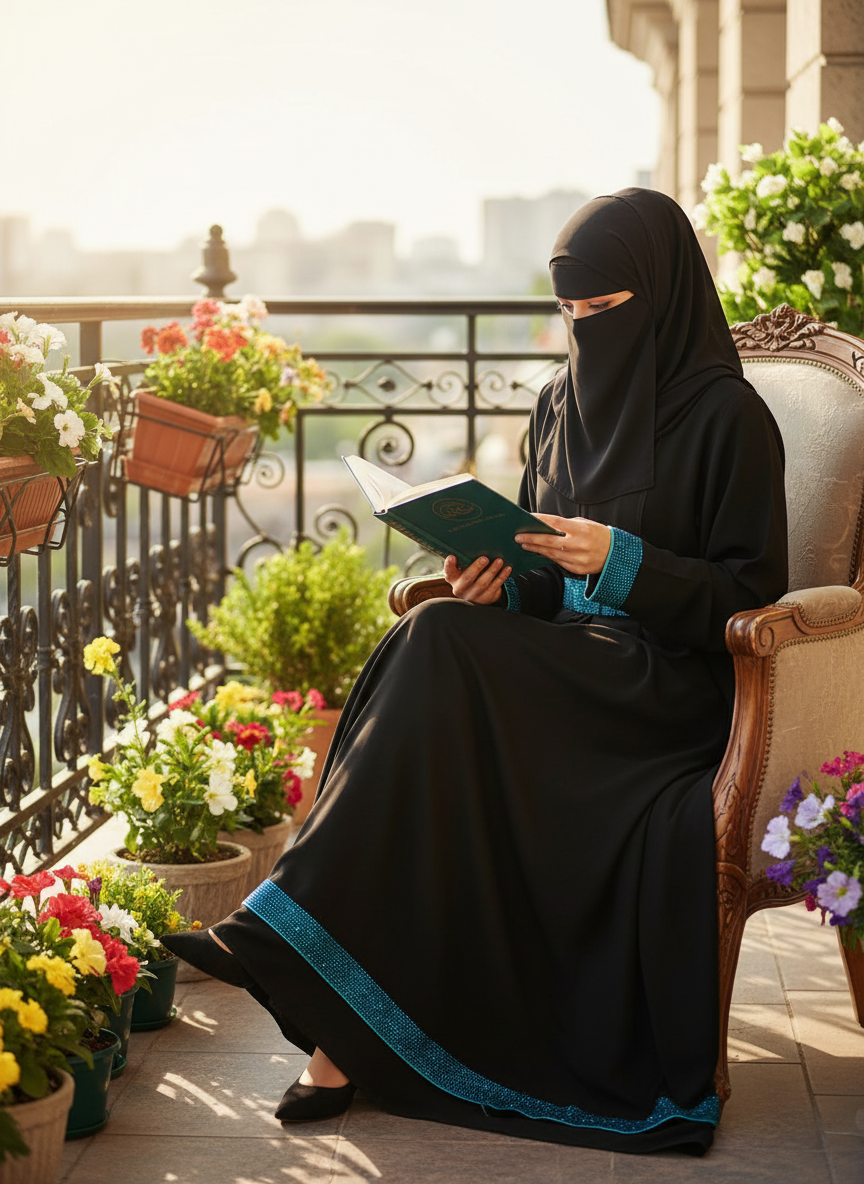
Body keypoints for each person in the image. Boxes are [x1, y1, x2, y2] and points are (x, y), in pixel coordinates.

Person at [164, 188, 787, 1156]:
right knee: (445, 625)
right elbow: (543, 574)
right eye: (570, 312)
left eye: (604, 310)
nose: (585, 330)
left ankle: (285, 949)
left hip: (668, 685)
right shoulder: (557, 402)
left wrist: (622, 560)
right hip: (575, 664)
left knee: (434, 647)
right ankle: (332, 1018)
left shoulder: (727, 415)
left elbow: (753, 597)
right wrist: (504, 582)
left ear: (657, 295)